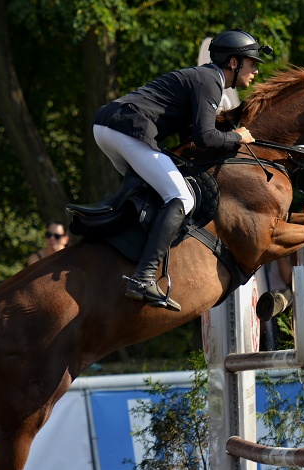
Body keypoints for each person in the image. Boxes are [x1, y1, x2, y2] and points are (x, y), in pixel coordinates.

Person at [93, 29, 270, 311]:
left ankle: (116, 255)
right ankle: (143, 277)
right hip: (125, 129)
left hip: (107, 127)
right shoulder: (210, 80)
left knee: (150, 194)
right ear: (233, 63)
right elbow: (206, 138)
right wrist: (239, 137)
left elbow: (193, 137)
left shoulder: (203, 78)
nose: (256, 72)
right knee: (182, 197)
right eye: (253, 64)